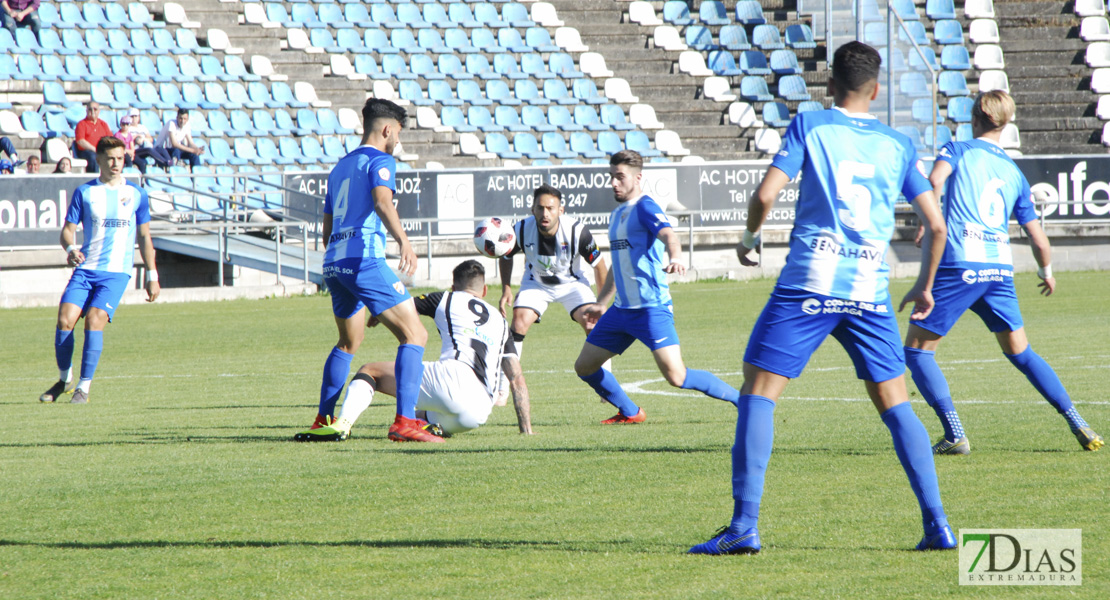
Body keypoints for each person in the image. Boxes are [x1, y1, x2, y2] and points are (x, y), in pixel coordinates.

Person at [689, 42, 954, 556]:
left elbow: (766, 195)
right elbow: (936, 224)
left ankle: (744, 527)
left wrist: (748, 240)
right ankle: (938, 524)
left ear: (829, 85)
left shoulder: (811, 125)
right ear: (875, 90)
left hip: (810, 282)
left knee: (759, 392)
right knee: (896, 405)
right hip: (869, 291)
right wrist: (923, 287)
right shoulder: (897, 143)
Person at [904, 91, 1103, 454]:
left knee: (917, 352)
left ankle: (954, 434)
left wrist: (926, 220)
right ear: (1006, 123)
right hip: (998, 270)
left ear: (974, 117)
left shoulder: (956, 150)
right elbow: (1039, 240)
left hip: (961, 264)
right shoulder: (1015, 173)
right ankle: (1079, 422)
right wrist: (1047, 272)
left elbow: (934, 181)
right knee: (1021, 353)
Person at [293, 98, 438, 443]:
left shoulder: (339, 167)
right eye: (398, 133)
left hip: (335, 263)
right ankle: (405, 421)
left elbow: (327, 231)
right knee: (415, 335)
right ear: (387, 129)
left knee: (348, 342)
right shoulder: (381, 160)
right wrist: (403, 241)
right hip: (364, 261)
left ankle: (323, 419)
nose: (398, 141)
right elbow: (382, 202)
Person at [572, 150, 741, 425]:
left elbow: (669, 235)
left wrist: (675, 257)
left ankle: (743, 401)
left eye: (620, 177)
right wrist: (602, 302)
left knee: (677, 377)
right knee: (584, 366)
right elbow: (619, 264)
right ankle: (630, 411)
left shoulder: (645, 207)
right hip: (620, 312)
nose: (614, 183)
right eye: (611, 177)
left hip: (651, 310)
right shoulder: (616, 215)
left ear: (638, 178)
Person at [300, 260, 534, 441]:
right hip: (478, 412)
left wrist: (378, 316)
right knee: (419, 416)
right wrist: (526, 431)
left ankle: (343, 424)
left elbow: (403, 307)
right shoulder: (501, 323)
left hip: (453, 381)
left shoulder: (445, 298)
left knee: (369, 370)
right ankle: (428, 428)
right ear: (483, 291)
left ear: (453, 287)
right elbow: (516, 378)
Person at [38, 136, 159, 405]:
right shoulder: (85, 192)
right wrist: (71, 250)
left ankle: (84, 387)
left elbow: (145, 237)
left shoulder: (137, 194)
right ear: (100, 160)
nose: (116, 163)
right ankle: (64, 379)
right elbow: (67, 232)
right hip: (85, 269)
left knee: (94, 319)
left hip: (116, 273)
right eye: (111, 158)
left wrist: (152, 275)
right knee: (65, 321)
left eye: (120, 157)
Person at [499, 183, 608, 368]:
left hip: (572, 284)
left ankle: (606, 386)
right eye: (540, 208)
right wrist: (506, 288)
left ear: (561, 210)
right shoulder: (521, 229)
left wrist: (602, 303)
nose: (545, 213)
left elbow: (600, 266)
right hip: (536, 284)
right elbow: (506, 255)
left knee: (594, 324)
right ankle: (503, 389)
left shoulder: (577, 231)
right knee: (518, 322)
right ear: (532, 209)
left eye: (550, 208)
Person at [74, 102, 111, 174]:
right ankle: (93, 179)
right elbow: (80, 141)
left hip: (101, 151)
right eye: (90, 109)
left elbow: (109, 139)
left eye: (95, 109)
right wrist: (95, 149)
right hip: (86, 152)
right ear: (86, 111)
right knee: (93, 157)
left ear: (99, 111)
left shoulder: (103, 124)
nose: (93, 111)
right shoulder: (81, 124)